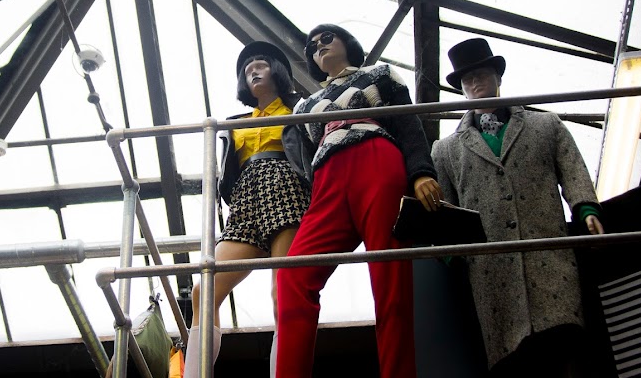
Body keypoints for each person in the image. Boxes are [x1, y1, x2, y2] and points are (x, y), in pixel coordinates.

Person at [430, 37, 605, 378]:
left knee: (567, 354)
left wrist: (586, 208)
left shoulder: (545, 126)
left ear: (498, 76)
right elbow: (445, 212)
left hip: (550, 263)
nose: (475, 83)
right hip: (494, 280)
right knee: (516, 367)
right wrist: (448, 252)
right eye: (467, 79)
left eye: (482, 74)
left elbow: (572, 170)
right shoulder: (446, 151)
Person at [275, 24, 443, 378]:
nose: (319, 46)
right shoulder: (304, 106)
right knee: (293, 274)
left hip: (376, 161)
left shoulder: (380, 75)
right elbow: (304, 159)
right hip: (327, 181)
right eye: (312, 46)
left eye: (326, 38)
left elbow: (407, 124)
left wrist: (420, 173)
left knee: (390, 278)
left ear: (346, 42)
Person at [184, 41, 311, 378]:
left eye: (260, 65)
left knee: (283, 292)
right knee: (204, 290)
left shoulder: (301, 111)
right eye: (247, 69)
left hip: (284, 187)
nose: (252, 71)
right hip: (245, 198)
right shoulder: (235, 123)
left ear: (277, 71)